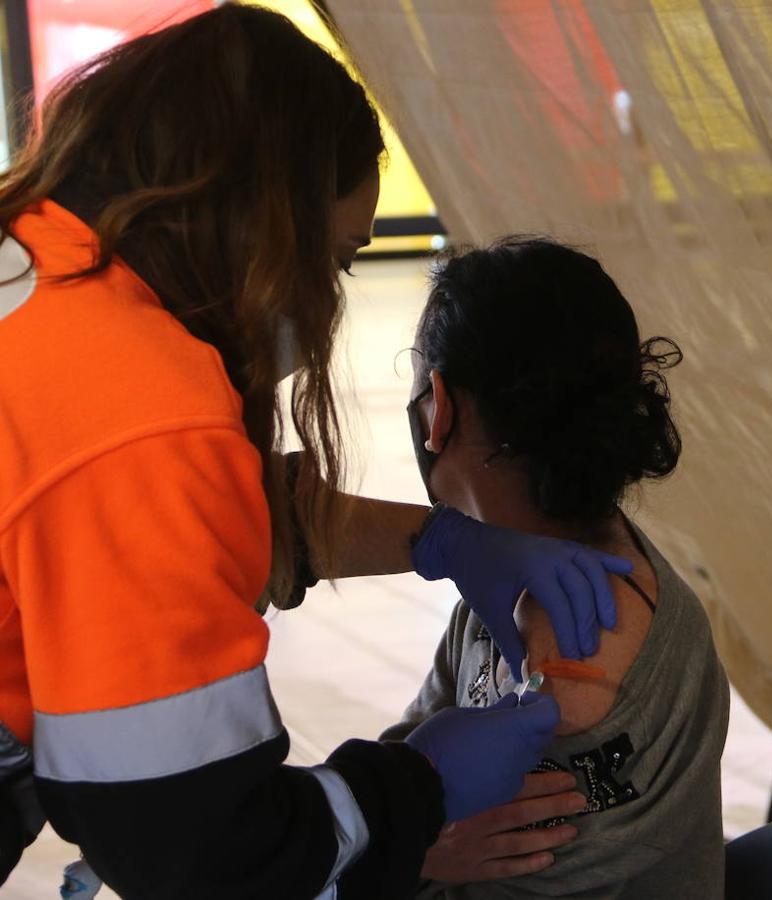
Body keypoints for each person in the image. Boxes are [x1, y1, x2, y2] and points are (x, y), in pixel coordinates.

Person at [0, 8, 632, 897]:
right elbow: (199, 850)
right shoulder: (139, 411)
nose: (326, 297)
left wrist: (437, 541)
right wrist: (416, 788)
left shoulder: (32, 268)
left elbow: (151, 540)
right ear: (262, 225)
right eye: (336, 259)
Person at [385, 238, 730, 899]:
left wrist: (401, 847)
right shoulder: (495, 580)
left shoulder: (586, 648)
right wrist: (406, 837)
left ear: (440, 407)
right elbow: (400, 753)